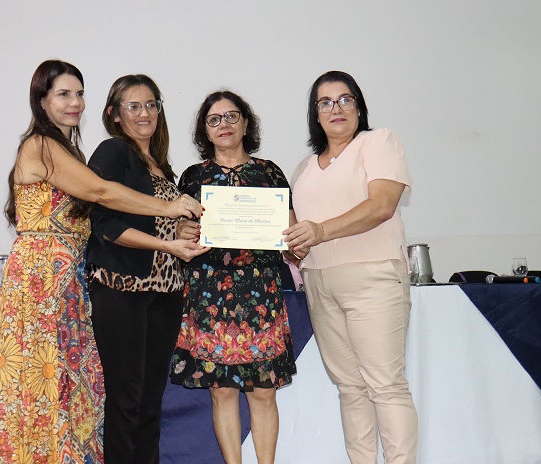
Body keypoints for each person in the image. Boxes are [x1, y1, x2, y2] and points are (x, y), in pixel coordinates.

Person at [0, 60, 202, 464]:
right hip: (41, 278)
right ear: (41, 100)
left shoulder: (69, 149)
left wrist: (176, 226)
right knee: (42, 387)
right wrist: (170, 207)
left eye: (79, 93)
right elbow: (102, 193)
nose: (74, 102)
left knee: (73, 390)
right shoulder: (39, 145)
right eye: (63, 94)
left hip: (69, 278)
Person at [283, 71, 418, 464]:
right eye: (325, 102)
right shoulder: (303, 168)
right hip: (319, 284)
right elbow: (297, 234)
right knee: (350, 389)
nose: (336, 108)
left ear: (359, 106)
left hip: (373, 278)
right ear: (315, 114)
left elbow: (382, 206)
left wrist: (319, 231)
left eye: (345, 99)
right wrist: (290, 246)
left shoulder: (378, 142)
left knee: (385, 386)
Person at [85, 74, 208, 463]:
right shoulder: (113, 152)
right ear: (114, 114)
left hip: (166, 293)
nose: (145, 113)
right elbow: (106, 226)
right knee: (126, 401)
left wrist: (182, 232)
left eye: (151, 105)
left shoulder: (161, 165)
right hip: (123, 289)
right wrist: (166, 244)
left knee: (151, 401)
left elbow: (161, 222)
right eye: (133, 106)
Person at [170, 91, 297, 464]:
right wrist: (182, 231)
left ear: (245, 124)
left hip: (260, 291)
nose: (223, 125)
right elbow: (180, 230)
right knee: (221, 390)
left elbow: (290, 235)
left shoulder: (270, 173)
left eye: (231, 116)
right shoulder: (193, 177)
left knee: (263, 391)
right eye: (214, 119)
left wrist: (297, 243)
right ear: (205, 131)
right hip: (209, 293)